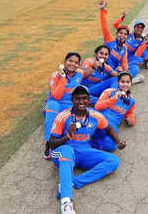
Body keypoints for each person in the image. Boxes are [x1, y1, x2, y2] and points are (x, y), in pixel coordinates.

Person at [49, 85, 126, 214]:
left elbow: (109, 128)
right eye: (77, 98)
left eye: (84, 98)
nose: (81, 102)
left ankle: (71, 182)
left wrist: (118, 141)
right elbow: (51, 144)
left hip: (84, 151)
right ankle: (66, 202)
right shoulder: (63, 116)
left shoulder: (95, 115)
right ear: (72, 100)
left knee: (113, 161)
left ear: (89, 100)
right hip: (64, 151)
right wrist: (67, 136)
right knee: (67, 152)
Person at [43, 52, 98, 159]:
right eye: (70, 61)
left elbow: (87, 72)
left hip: (70, 105)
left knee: (82, 114)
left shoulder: (79, 73)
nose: (73, 64)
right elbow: (57, 96)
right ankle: (49, 143)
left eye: (76, 62)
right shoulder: (55, 75)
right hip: (55, 104)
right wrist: (63, 78)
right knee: (52, 106)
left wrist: (94, 67)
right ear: (64, 61)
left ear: (79, 65)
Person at [92, 72, 136, 151]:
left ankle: (91, 144)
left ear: (131, 83)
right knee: (98, 130)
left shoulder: (132, 100)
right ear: (118, 83)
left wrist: (131, 119)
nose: (125, 84)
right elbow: (97, 106)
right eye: (122, 82)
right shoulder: (109, 91)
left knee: (111, 146)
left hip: (113, 126)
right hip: (100, 119)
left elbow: (129, 114)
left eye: (128, 82)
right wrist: (114, 99)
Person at [99, 1, 134, 83]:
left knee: (135, 68)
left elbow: (124, 62)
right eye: (120, 33)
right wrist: (102, 10)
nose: (122, 35)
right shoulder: (110, 40)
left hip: (115, 70)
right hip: (105, 69)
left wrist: (124, 70)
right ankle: (127, 81)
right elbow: (105, 27)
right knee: (113, 79)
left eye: (125, 34)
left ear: (127, 36)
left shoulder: (124, 48)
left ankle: (125, 80)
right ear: (117, 34)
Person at [110, 5, 146, 83]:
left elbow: (138, 53)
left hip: (127, 60)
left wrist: (145, 41)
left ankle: (126, 79)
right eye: (138, 27)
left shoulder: (141, 40)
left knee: (137, 65)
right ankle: (127, 80)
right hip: (117, 58)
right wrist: (122, 17)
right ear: (134, 28)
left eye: (141, 28)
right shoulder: (126, 34)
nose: (139, 29)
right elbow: (115, 25)